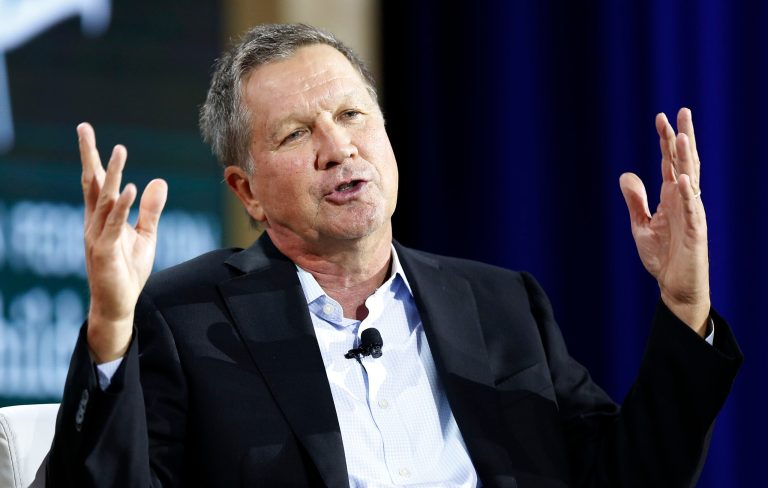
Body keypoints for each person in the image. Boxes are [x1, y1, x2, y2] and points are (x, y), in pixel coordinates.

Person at [45, 23, 742, 487]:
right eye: (295, 134)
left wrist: (684, 308)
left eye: (352, 115)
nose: (339, 147)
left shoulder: (501, 306)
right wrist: (110, 326)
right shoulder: (182, 317)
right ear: (247, 192)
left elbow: (628, 476)